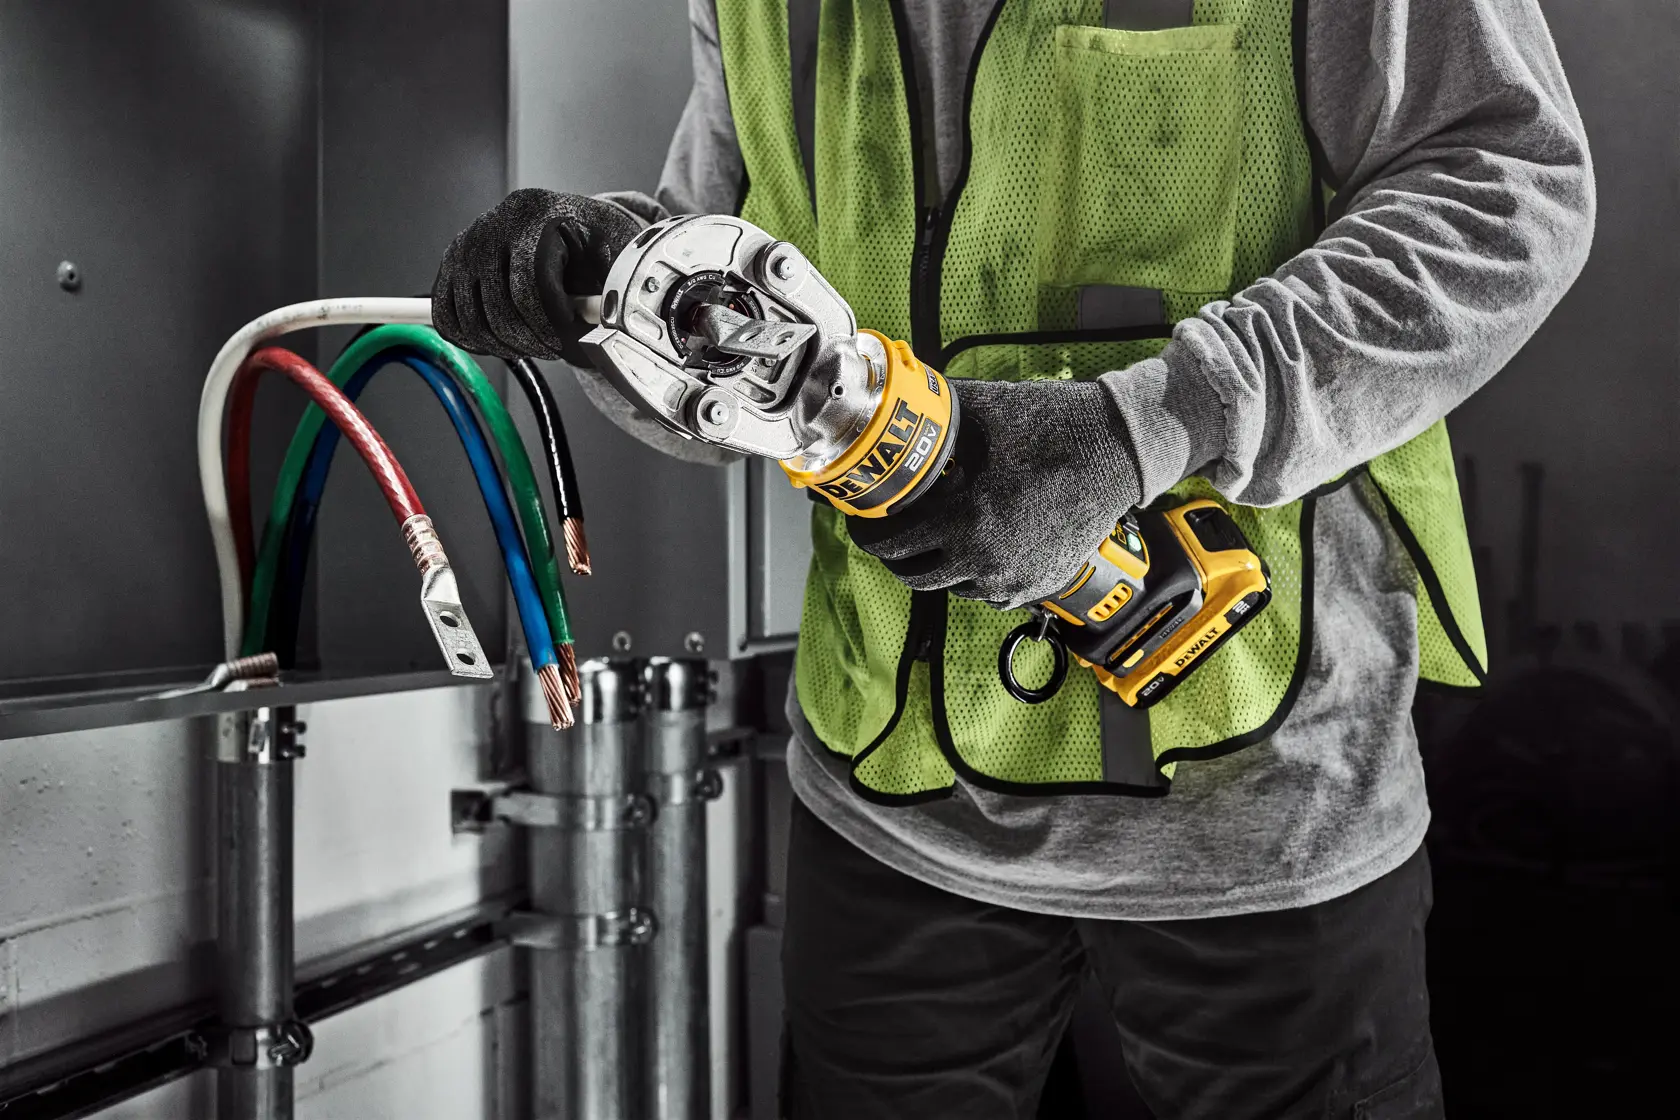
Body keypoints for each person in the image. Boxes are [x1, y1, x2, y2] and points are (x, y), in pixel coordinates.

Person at [432, 1, 1594, 1115]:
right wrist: (597, 294)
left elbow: (1507, 189)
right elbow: (733, 351)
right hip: (885, 800)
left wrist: (1144, 427)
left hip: (1259, 803)